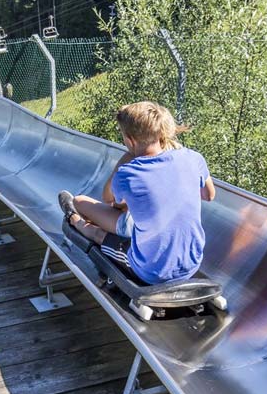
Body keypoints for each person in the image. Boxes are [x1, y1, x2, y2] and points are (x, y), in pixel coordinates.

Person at [58, 101, 215, 285]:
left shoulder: (128, 173)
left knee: (99, 234)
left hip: (150, 270)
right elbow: (208, 195)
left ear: (130, 140)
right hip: (192, 263)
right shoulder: (192, 157)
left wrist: (127, 158)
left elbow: (109, 200)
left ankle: (74, 221)